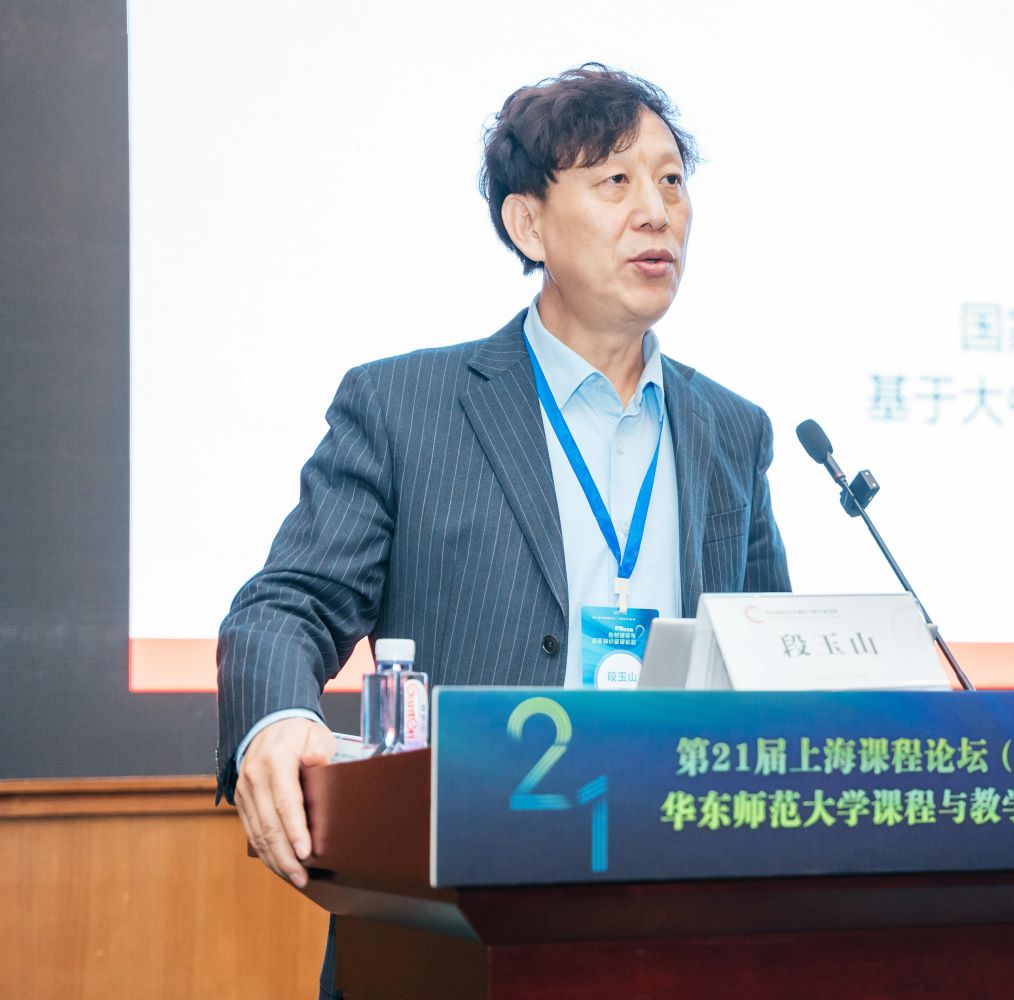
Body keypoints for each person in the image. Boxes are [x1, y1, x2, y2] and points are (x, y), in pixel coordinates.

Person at [215, 63, 791, 997]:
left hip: (685, 917)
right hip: (458, 916)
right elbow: (286, 605)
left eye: (671, 181)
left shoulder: (733, 430)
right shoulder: (405, 405)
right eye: (616, 181)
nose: (656, 212)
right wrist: (276, 720)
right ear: (529, 224)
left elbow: (769, 661)